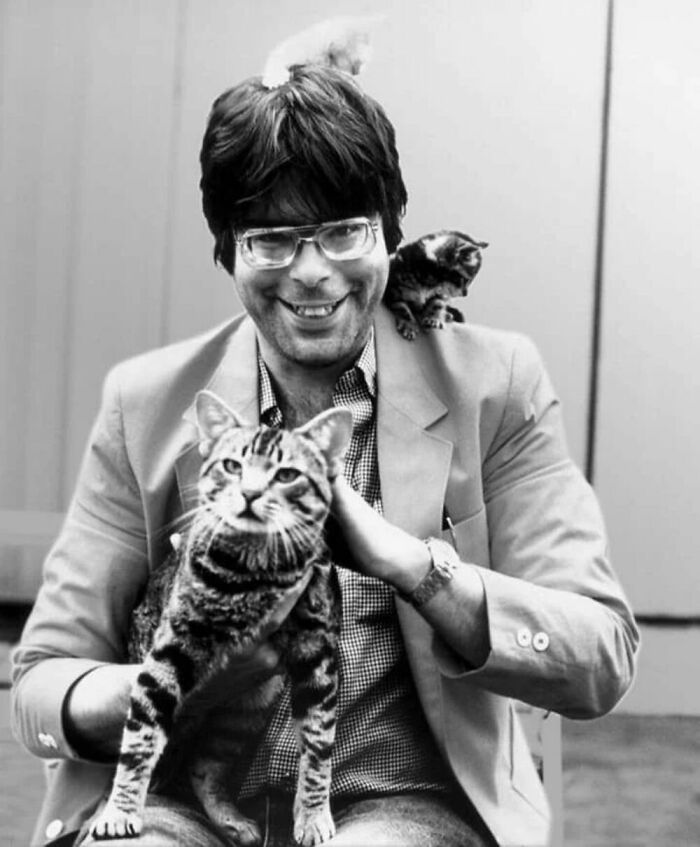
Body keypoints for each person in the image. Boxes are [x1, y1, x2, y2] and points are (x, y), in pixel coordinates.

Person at [12, 55, 639, 847]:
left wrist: (414, 566)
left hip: (403, 805)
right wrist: (169, 680)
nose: (312, 273)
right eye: (271, 240)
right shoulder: (146, 403)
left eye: (344, 230)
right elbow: (39, 684)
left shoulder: (495, 383)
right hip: (180, 801)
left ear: (389, 234)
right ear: (228, 251)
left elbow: (601, 654)